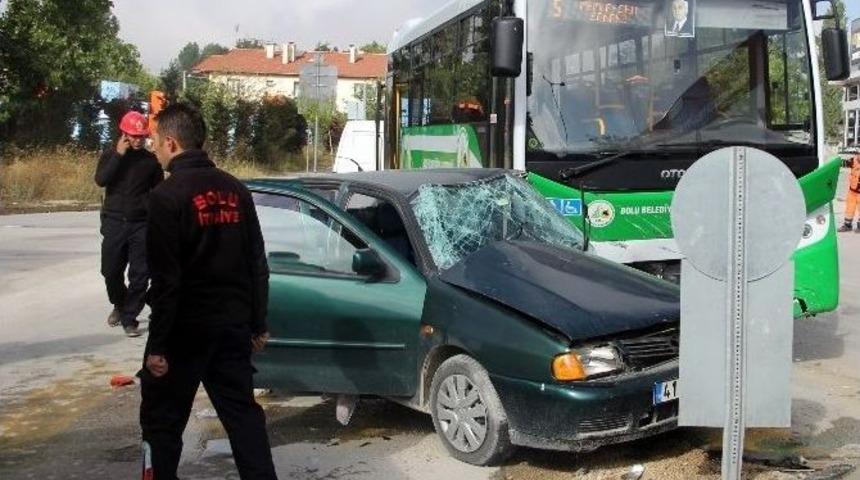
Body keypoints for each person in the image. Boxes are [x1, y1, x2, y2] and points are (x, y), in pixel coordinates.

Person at [140, 102, 277, 480]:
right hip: (232, 327)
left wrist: (158, 346)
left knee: (162, 423)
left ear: (171, 143)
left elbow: (167, 281)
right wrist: (257, 323)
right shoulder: (236, 189)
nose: (152, 149)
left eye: (154, 141)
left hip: (185, 332)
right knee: (243, 418)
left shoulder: (166, 198)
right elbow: (256, 264)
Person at [94, 111, 163, 337]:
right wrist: (118, 155)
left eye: (141, 136)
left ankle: (129, 317)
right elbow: (101, 180)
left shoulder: (151, 161)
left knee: (140, 275)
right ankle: (119, 303)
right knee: (110, 271)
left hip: (141, 224)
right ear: (123, 134)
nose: (137, 140)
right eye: (133, 136)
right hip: (114, 222)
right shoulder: (110, 155)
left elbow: (158, 191)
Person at [839, 153, 860, 232]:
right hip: (852, 191)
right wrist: (838, 162)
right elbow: (844, 163)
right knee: (849, 208)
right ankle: (847, 225)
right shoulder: (854, 160)